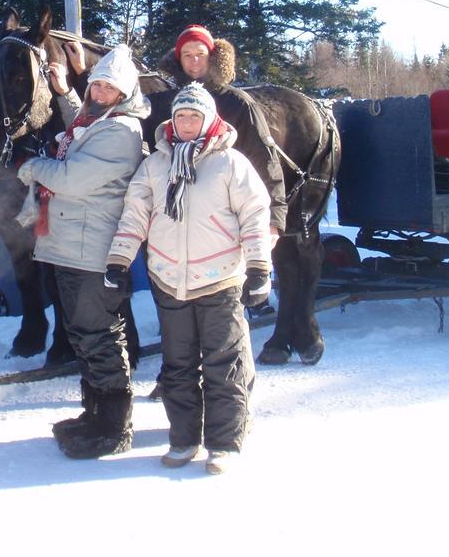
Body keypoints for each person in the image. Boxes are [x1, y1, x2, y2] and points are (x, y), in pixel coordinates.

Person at [106, 83, 272, 475]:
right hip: (169, 279)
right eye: (181, 116)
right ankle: (183, 439)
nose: (186, 123)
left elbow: (254, 217)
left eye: (194, 116)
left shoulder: (230, 163)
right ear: (172, 121)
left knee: (223, 365)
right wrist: (118, 261)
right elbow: (134, 216)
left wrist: (259, 268)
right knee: (177, 366)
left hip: (220, 280)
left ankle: (224, 443)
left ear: (209, 119)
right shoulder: (155, 166)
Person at [16, 44, 150, 459]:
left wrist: (34, 166)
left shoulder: (122, 131)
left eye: (110, 87)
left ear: (125, 93)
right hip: (70, 245)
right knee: (81, 334)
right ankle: (94, 413)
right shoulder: (98, 121)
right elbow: (81, 125)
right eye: (97, 85)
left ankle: (113, 425)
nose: (101, 92)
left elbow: (74, 177)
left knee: (98, 334)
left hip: (91, 251)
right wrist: (64, 91)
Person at [157, 25, 287, 245]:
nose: (194, 61)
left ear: (213, 57)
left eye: (201, 54)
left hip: (227, 216)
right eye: (187, 55)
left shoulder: (238, 103)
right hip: (174, 220)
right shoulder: (165, 102)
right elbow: (112, 102)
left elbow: (264, 158)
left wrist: (273, 218)